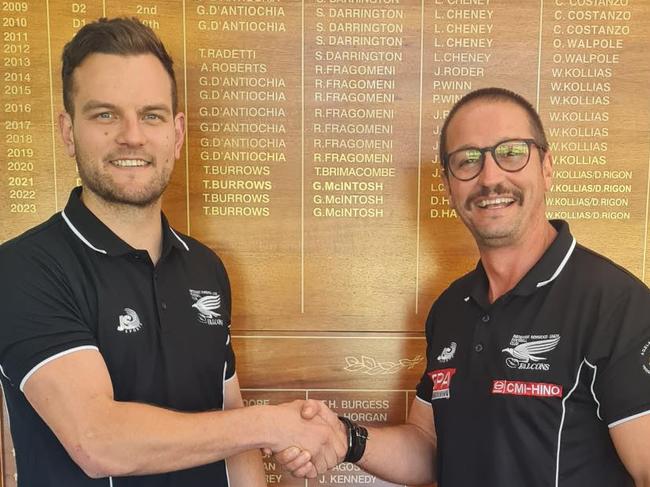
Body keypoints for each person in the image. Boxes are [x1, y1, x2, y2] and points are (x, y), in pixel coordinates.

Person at [0, 17, 345, 486]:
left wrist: (262, 432)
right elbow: (98, 440)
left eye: (152, 115)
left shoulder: (206, 268)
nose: (132, 136)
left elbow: (231, 424)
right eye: (104, 114)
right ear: (67, 131)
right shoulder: (23, 269)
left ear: (177, 134)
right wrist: (272, 423)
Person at [276, 87, 650, 486]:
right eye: (467, 160)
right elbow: (428, 446)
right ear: (449, 185)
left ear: (546, 167)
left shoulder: (618, 305)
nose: (490, 177)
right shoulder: (452, 308)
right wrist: (347, 440)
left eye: (510, 153)